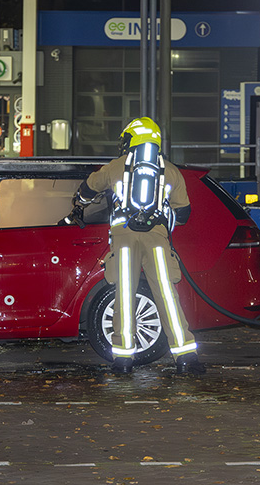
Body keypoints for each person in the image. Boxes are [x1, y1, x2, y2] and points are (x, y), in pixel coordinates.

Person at [73, 117, 205, 376]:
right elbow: (184, 212)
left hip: (123, 238)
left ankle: (123, 360)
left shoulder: (116, 166)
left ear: (130, 140)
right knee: (166, 295)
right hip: (157, 239)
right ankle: (185, 356)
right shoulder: (170, 170)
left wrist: (80, 201)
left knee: (124, 295)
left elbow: (88, 188)